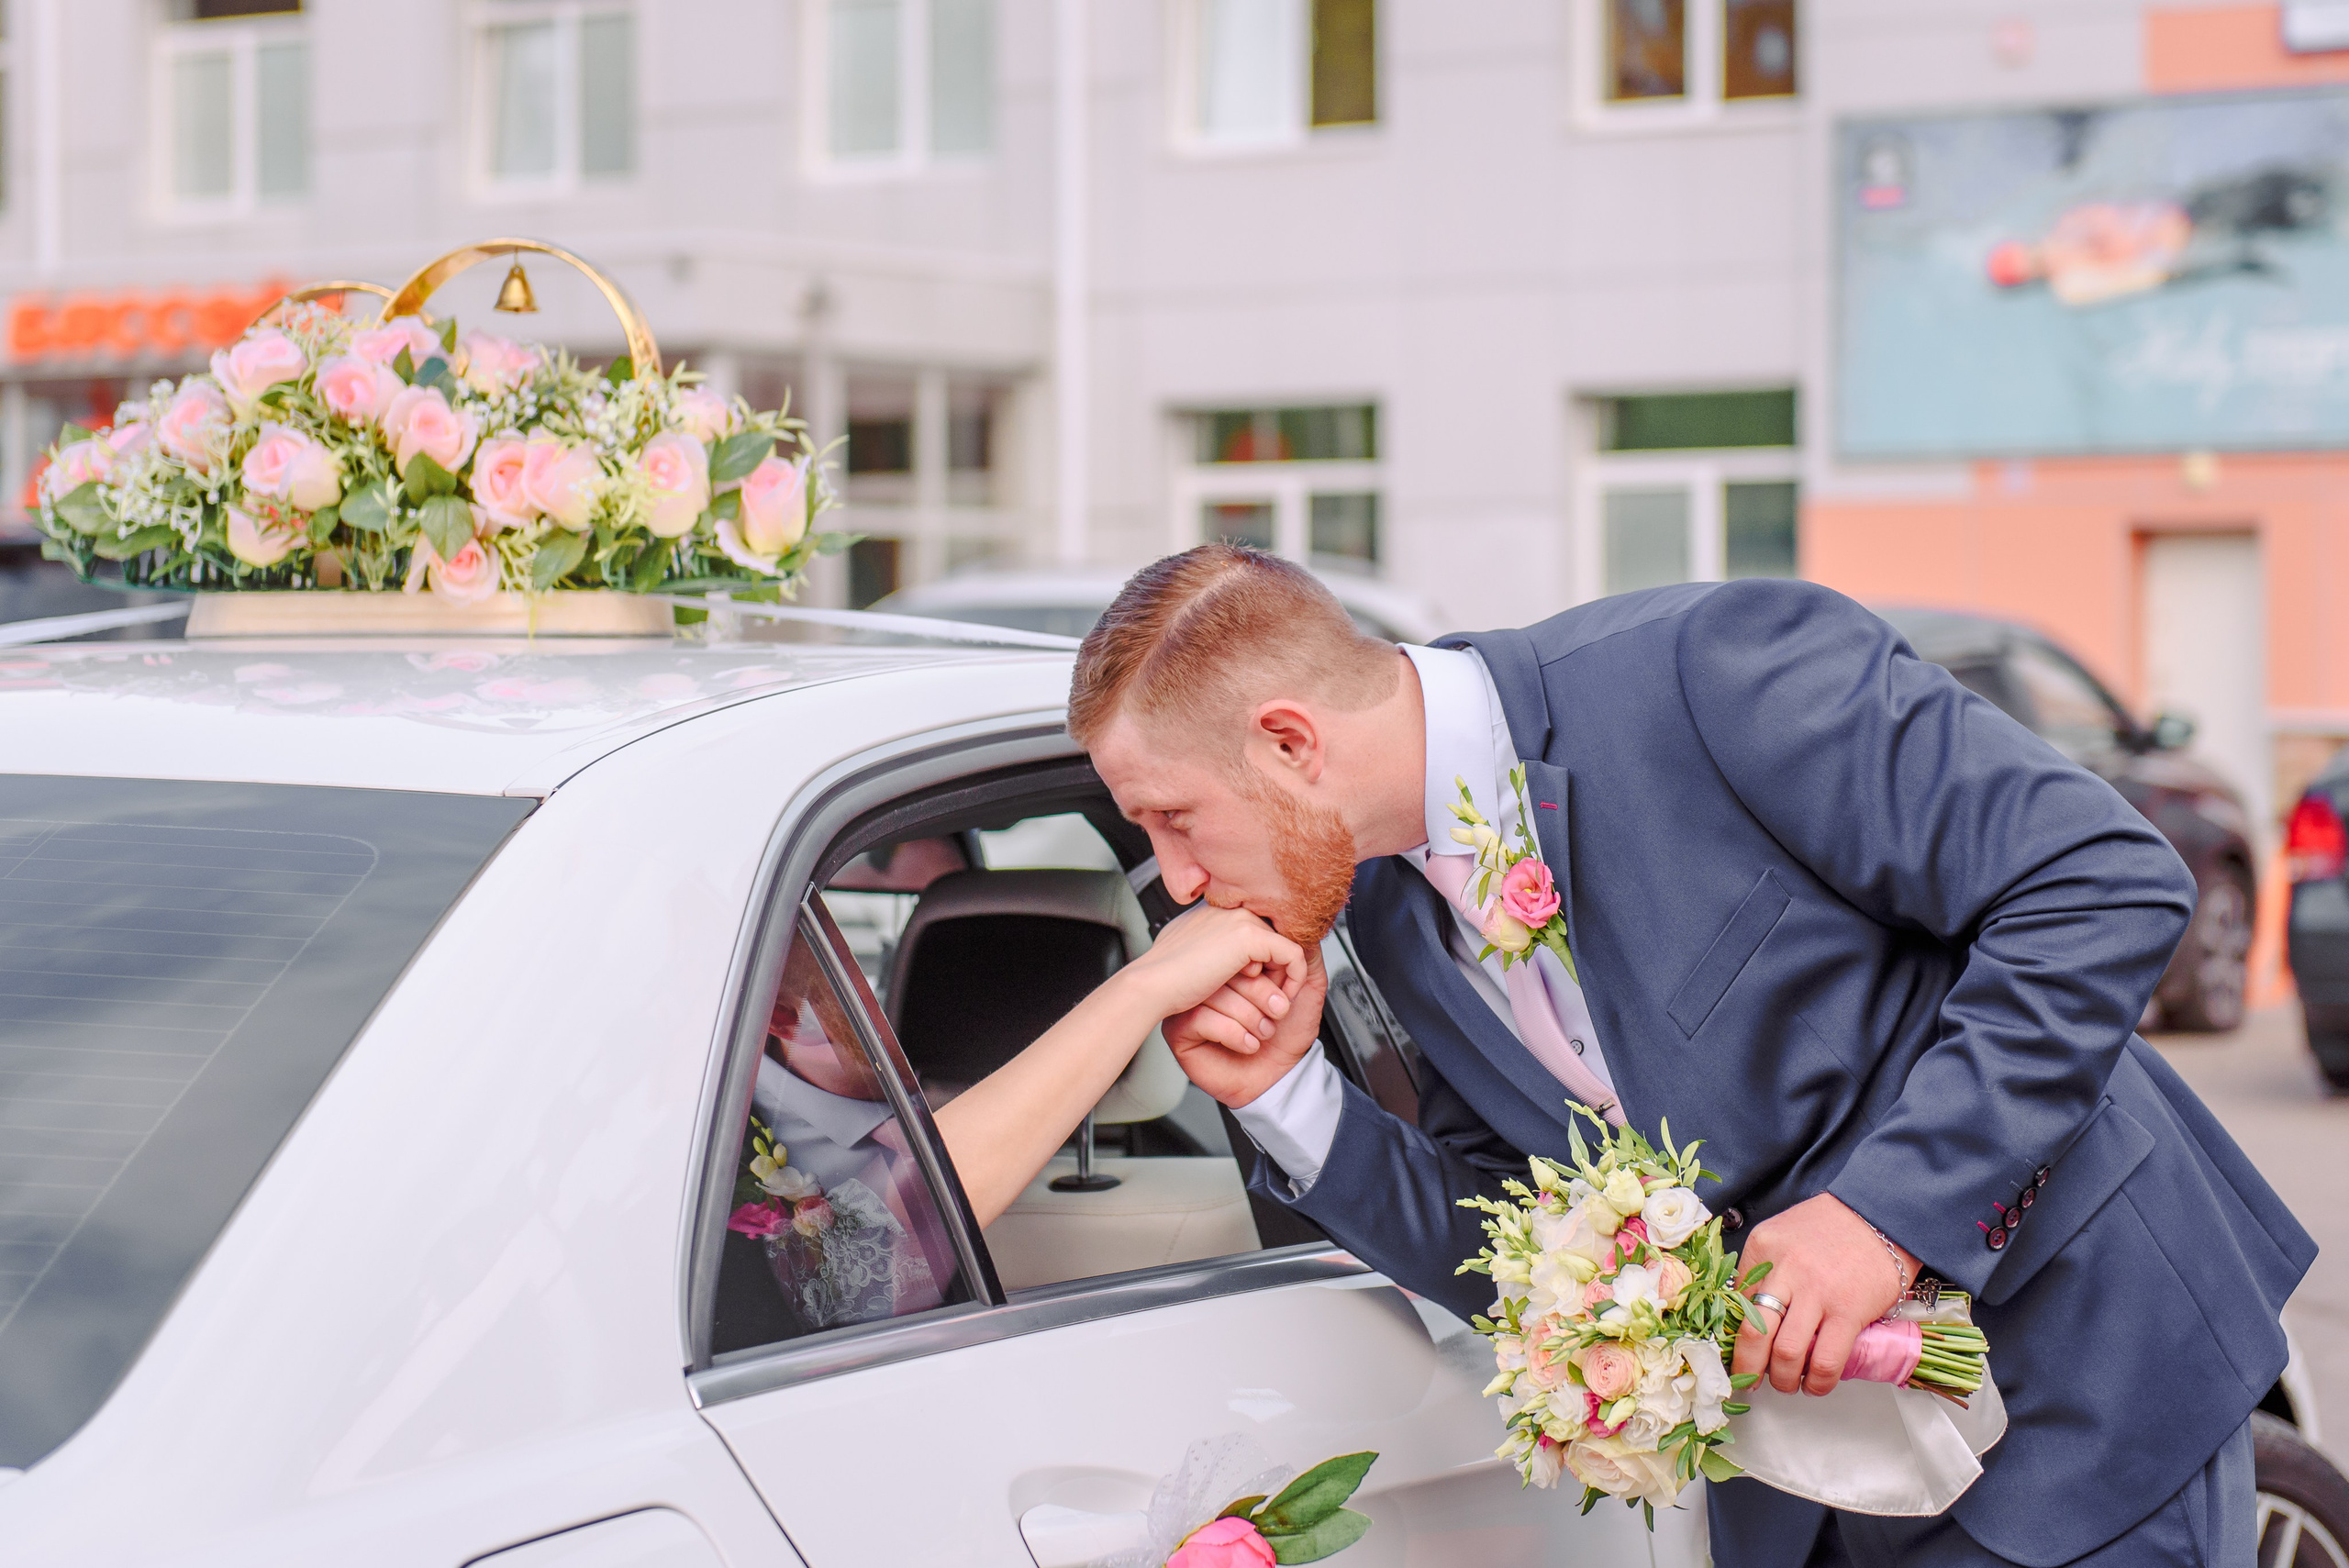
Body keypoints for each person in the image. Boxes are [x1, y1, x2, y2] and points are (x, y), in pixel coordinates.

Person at [1064, 542, 2314, 1568]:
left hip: (2082, 1393)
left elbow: (2098, 882)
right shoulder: (1387, 916)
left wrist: (1884, 1216)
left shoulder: (1712, 672)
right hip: (1810, 1499)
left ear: (1289, 744)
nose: (1177, 881)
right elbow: (1516, 1247)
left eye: (1173, 818)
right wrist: (1287, 1095)